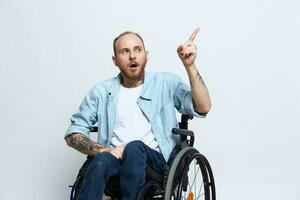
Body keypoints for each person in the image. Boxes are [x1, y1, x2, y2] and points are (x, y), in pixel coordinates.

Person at [64, 28, 211, 200]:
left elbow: (203, 107)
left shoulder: (165, 83)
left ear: (146, 55)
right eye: (125, 52)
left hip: (156, 165)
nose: (132, 56)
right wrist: (106, 150)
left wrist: (190, 65)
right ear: (115, 60)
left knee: (134, 147)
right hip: (115, 163)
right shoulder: (101, 92)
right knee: (100, 161)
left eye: (137, 50)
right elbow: (73, 133)